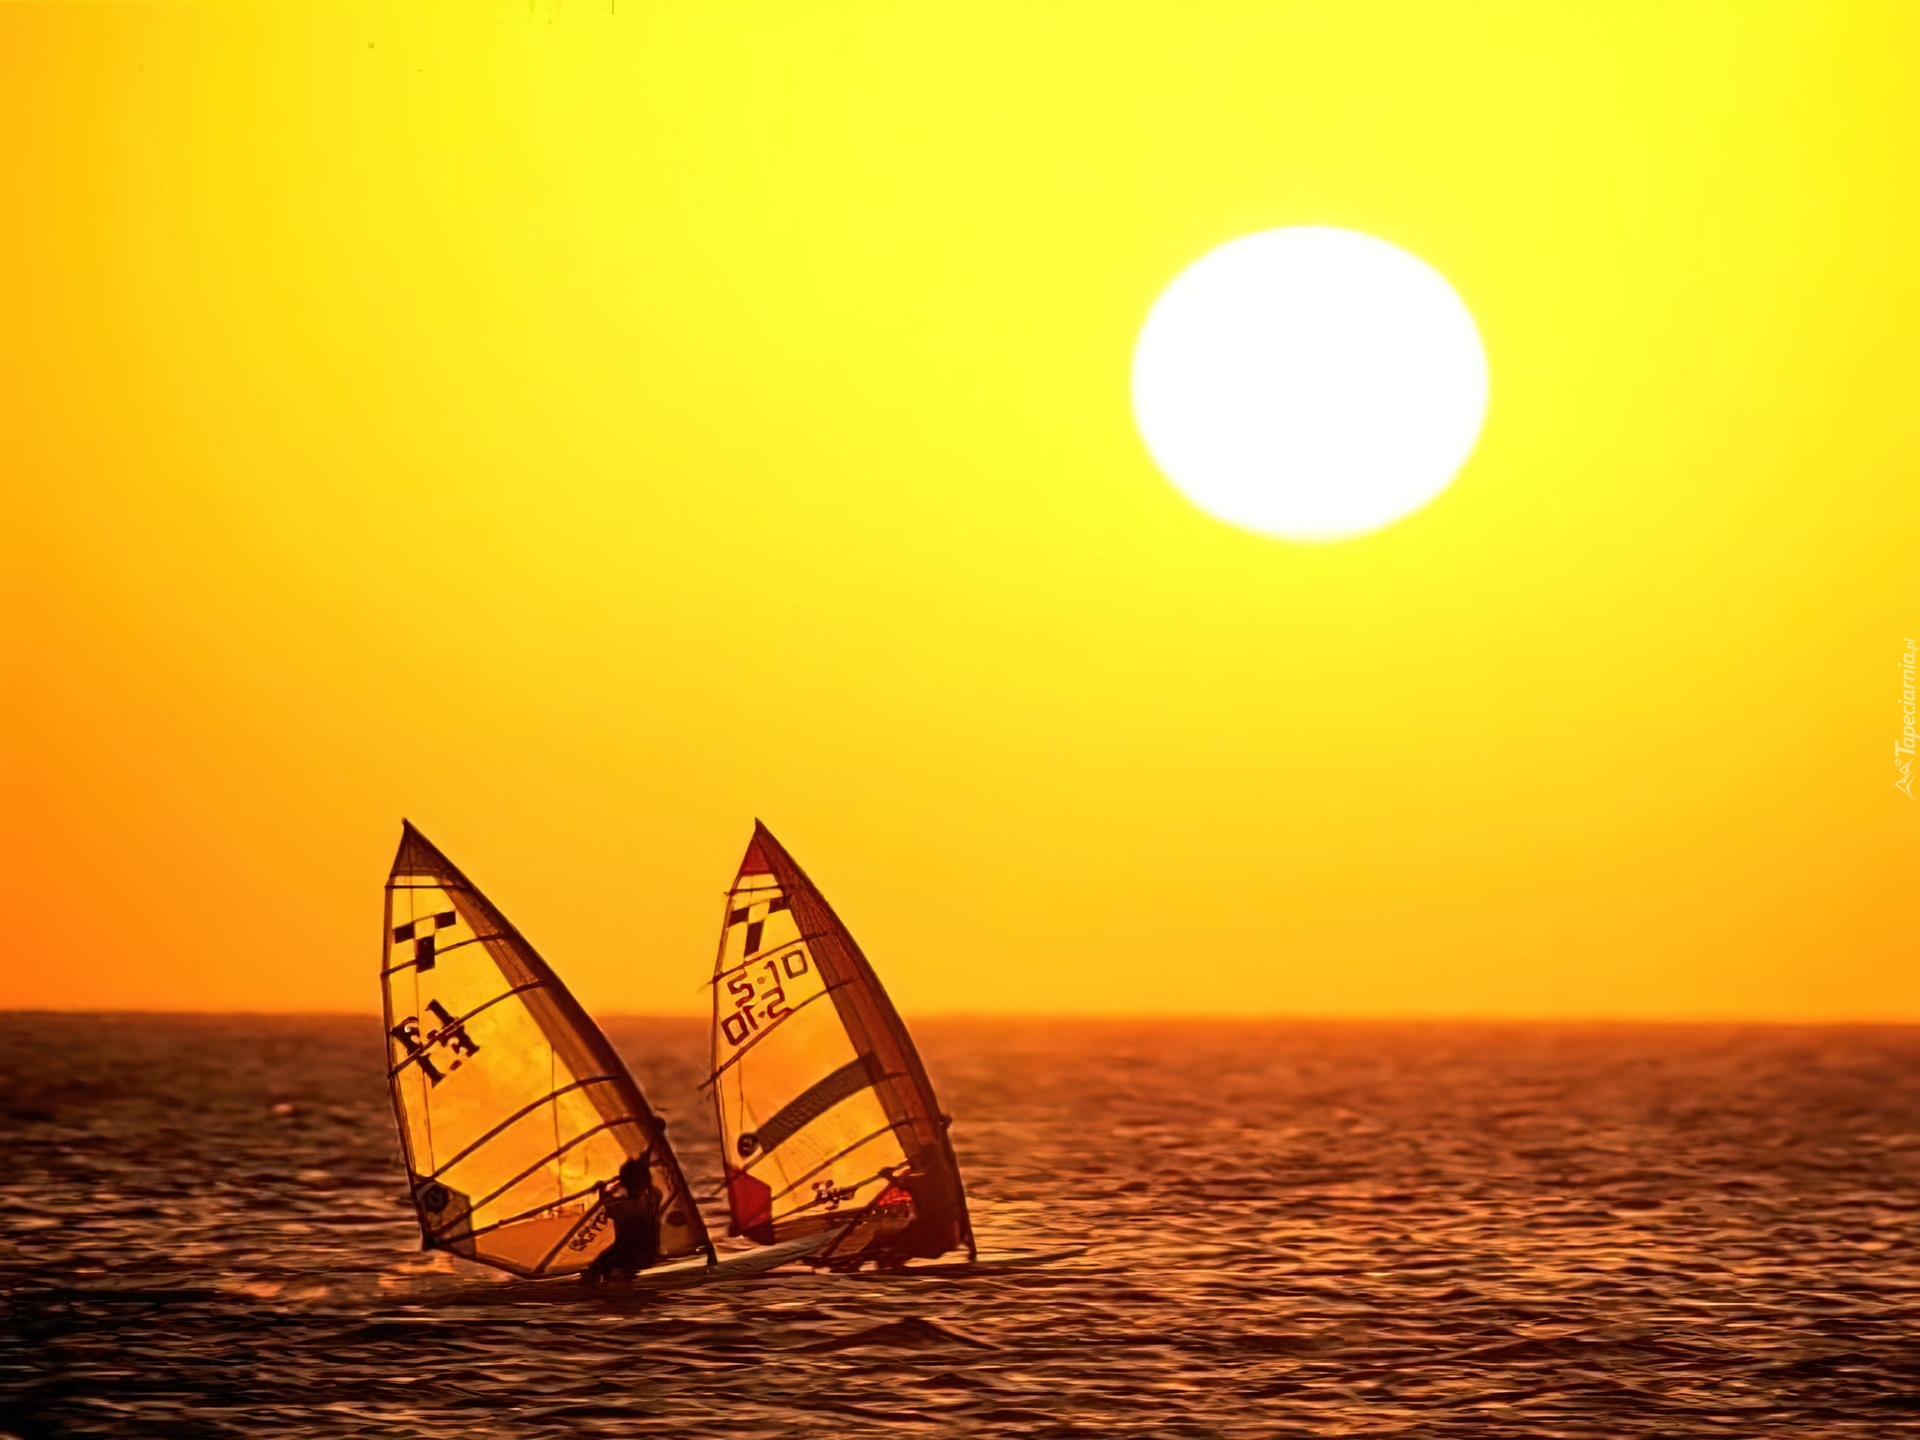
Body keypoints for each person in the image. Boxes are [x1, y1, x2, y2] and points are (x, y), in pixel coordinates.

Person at [584, 1155, 661, 1281]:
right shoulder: (653, 1198)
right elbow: (652, 1188)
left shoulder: (623, 1206)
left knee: (597, 1268)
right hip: (646, 1256)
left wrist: (602, 1187)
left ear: (624, 1184)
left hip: (624, 1257)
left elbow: (606, 1200)